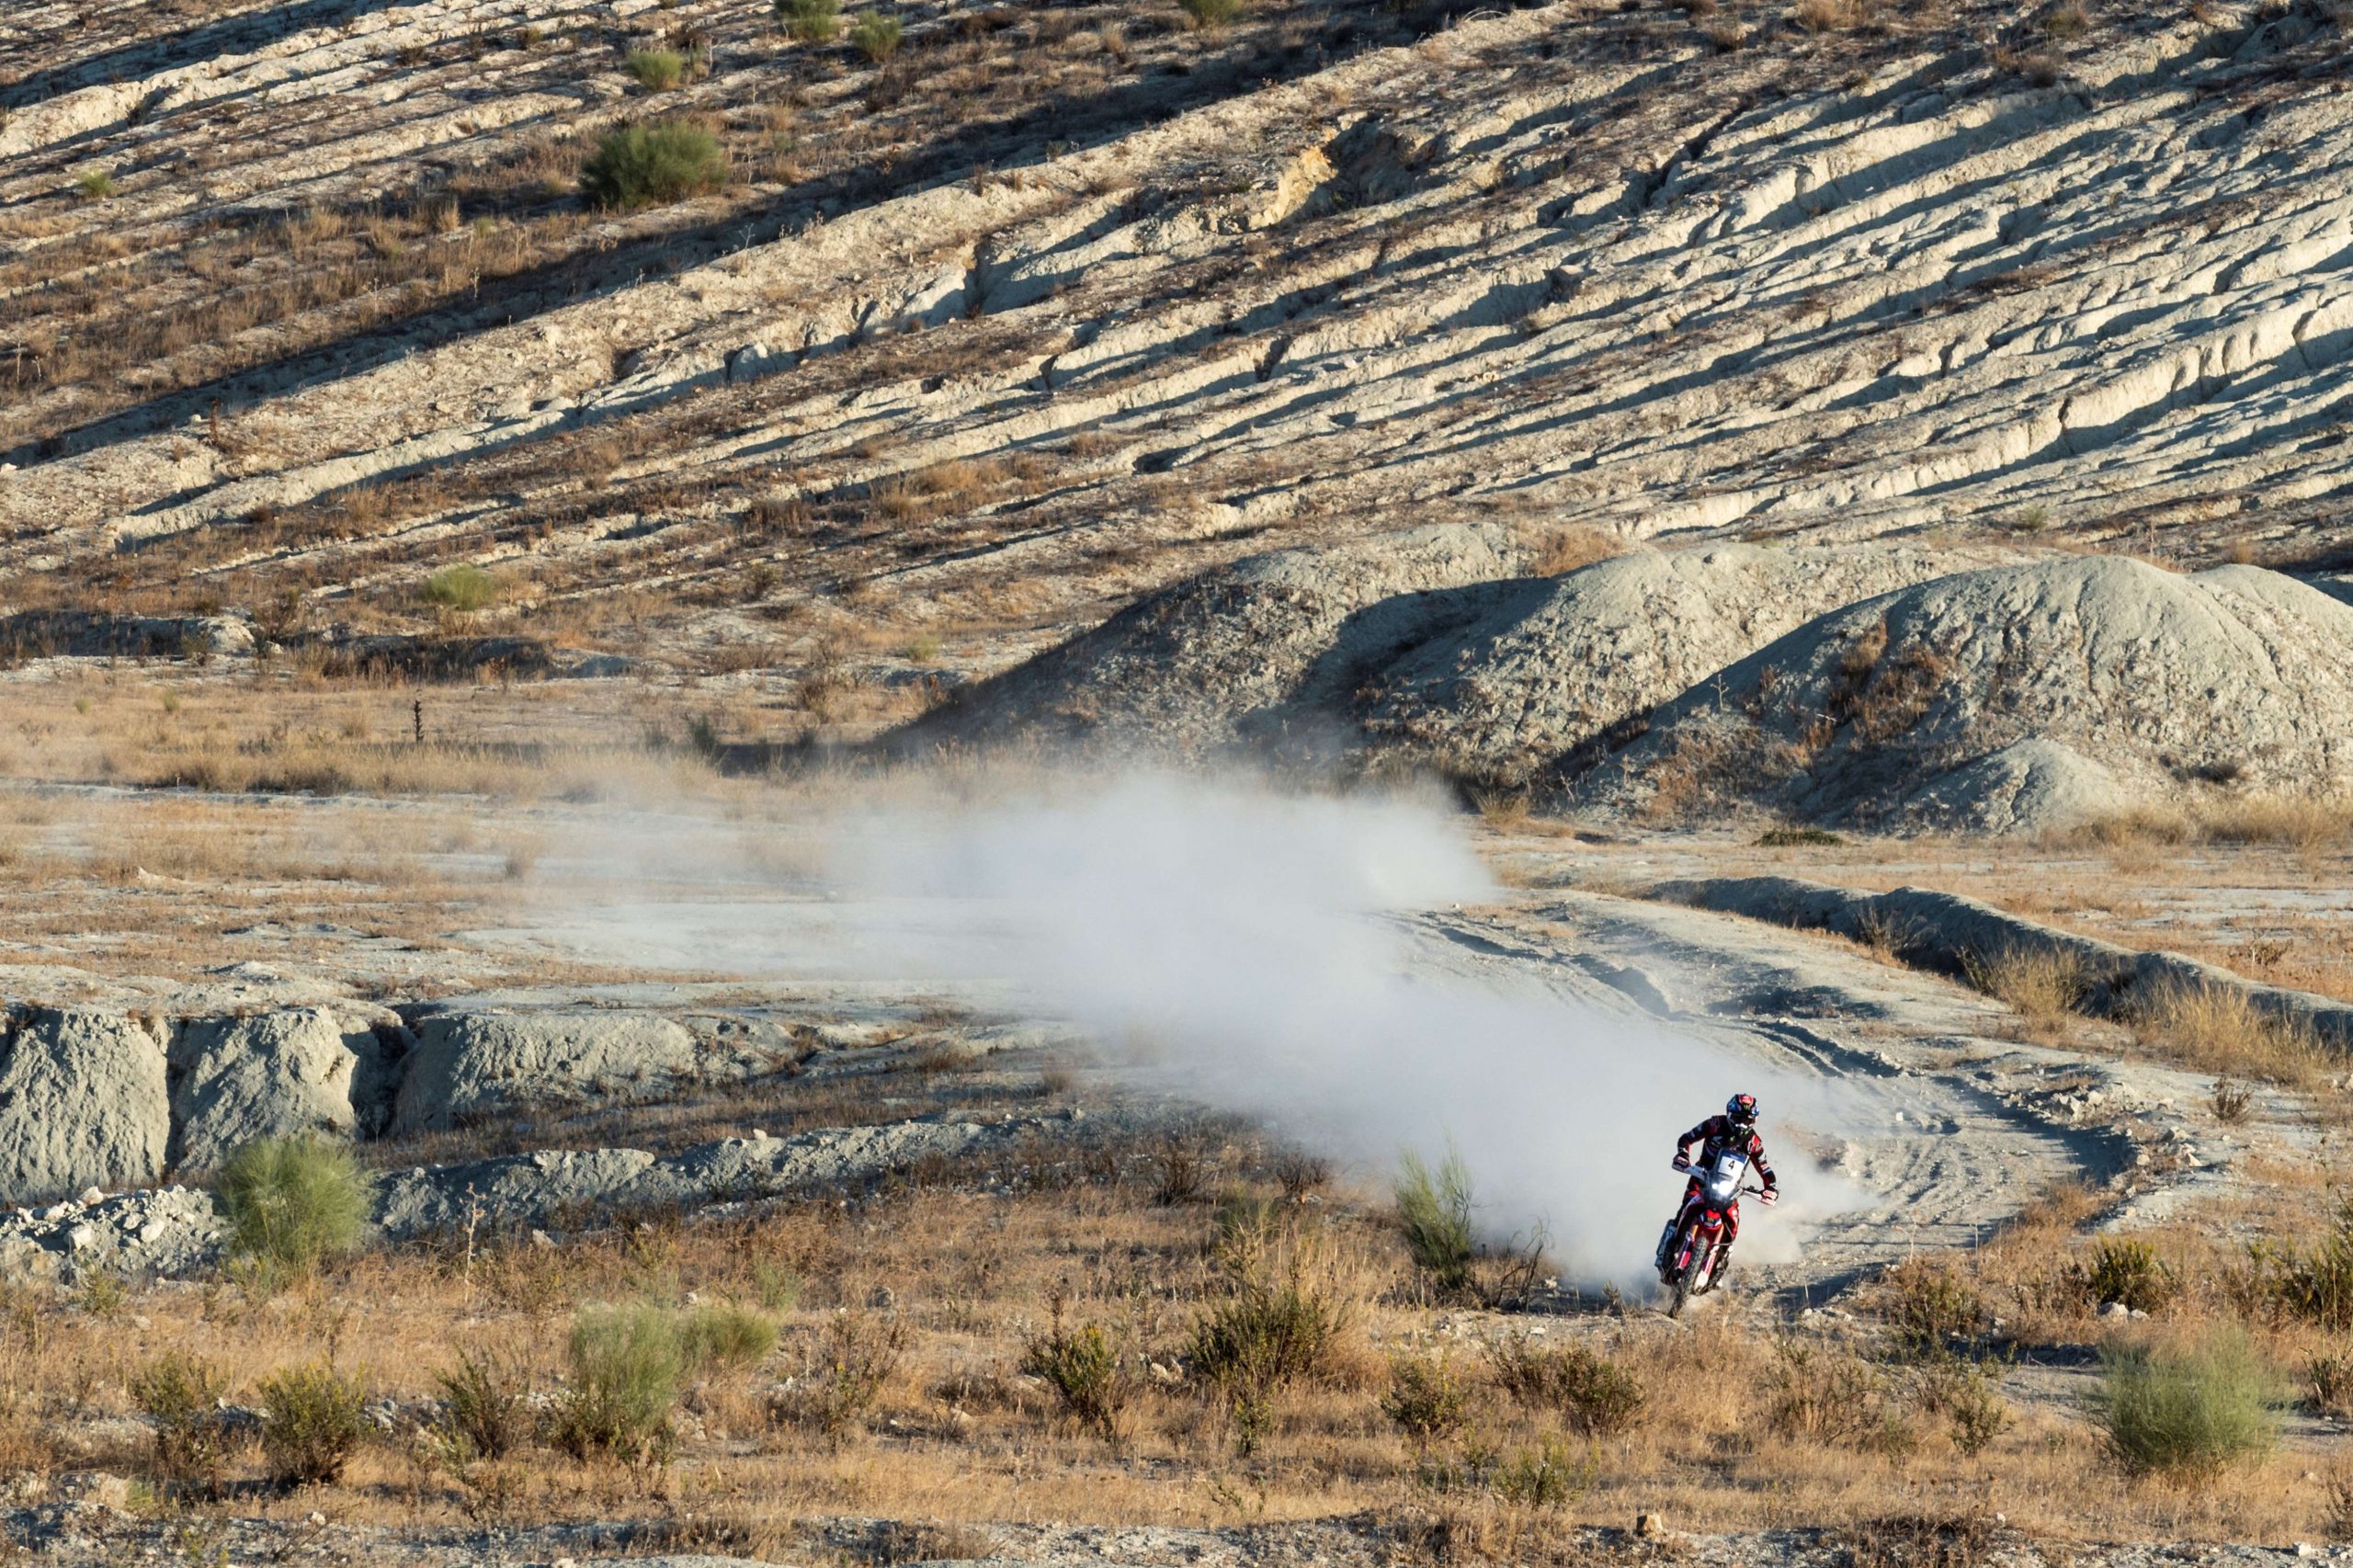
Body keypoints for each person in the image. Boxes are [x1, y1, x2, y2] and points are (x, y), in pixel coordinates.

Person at [1654, 1092, 1779, 1283]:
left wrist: (1771, 1187)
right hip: (1702, 1178)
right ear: (1729, 1114)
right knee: (1684, 1210)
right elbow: (1687, 1138)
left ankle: (1720, 1264)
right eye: (1738, 1118)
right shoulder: (1714, 1124)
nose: (1742, 1124)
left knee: (1733, 1223)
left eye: (1748, 1119)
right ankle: (1666, 1251)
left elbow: (1765, 1168)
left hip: (1730, 1188)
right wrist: (1683, 1156)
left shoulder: (1754, 1143)